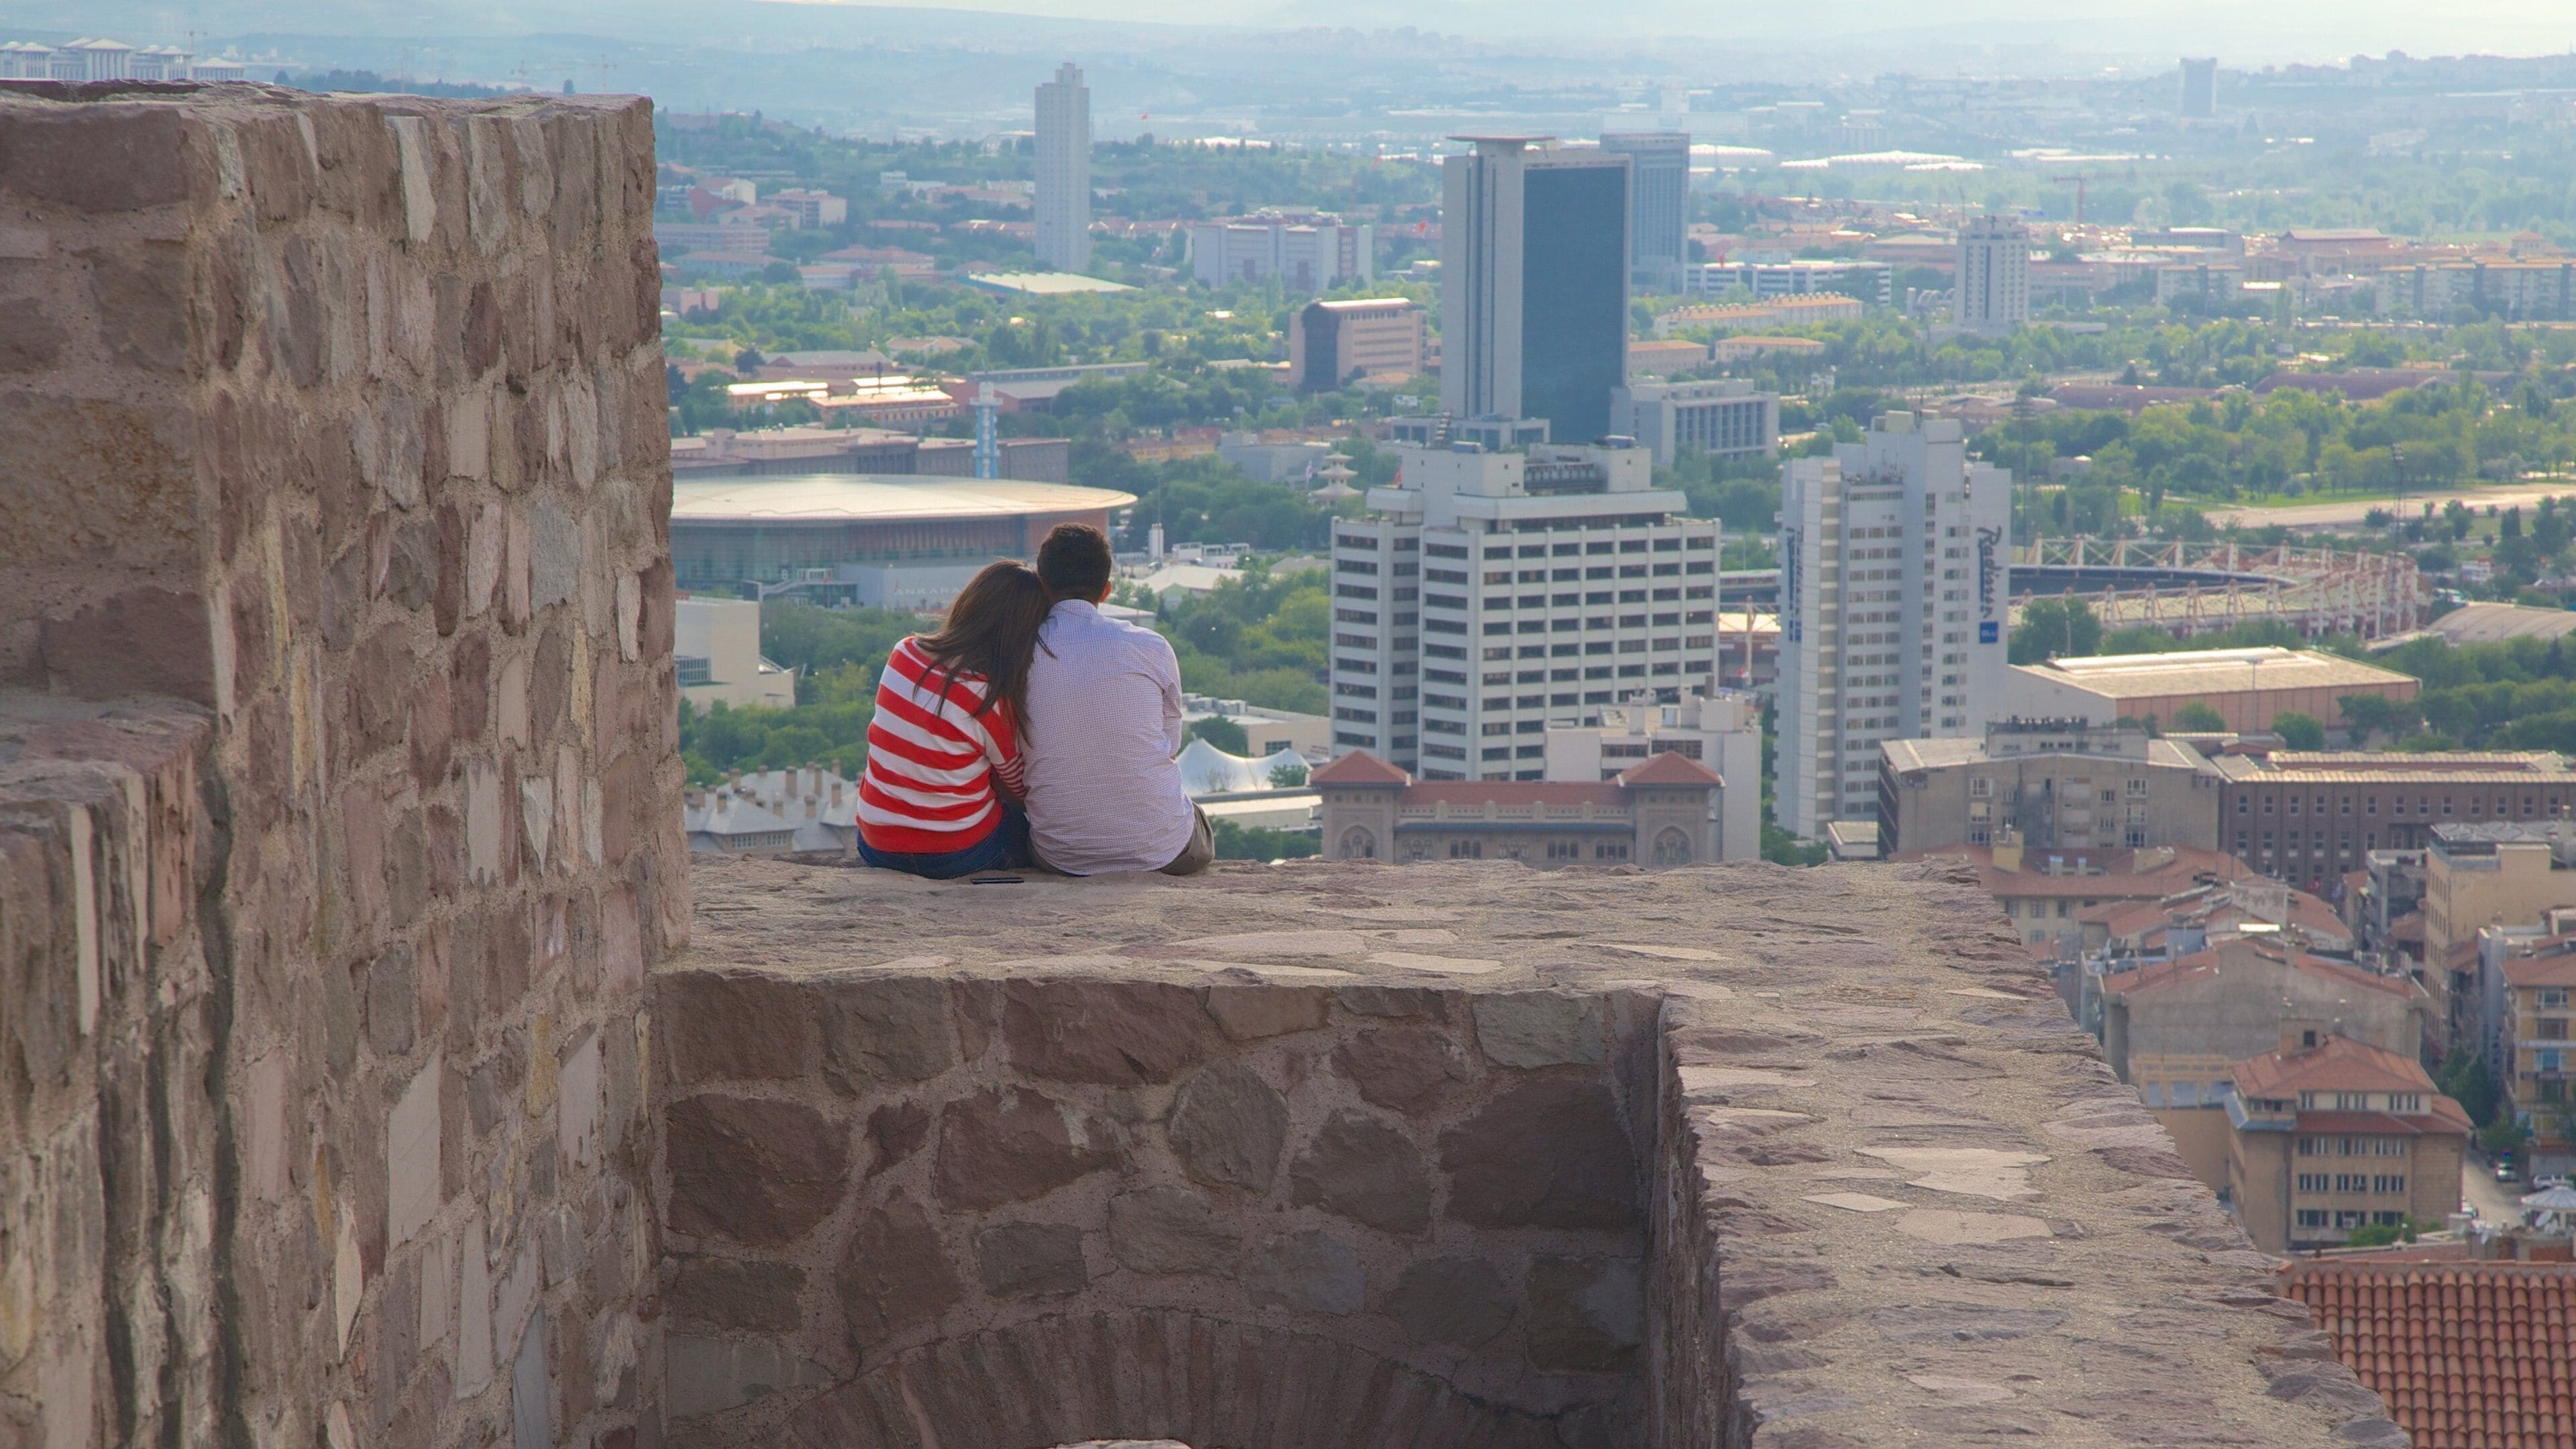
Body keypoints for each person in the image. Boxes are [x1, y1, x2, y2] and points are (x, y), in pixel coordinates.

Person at [1021, 523, 1214, 875]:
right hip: (1164, 852)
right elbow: (1168, 747)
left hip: (1061, 857)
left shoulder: (1018, 652)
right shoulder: (1150, 647)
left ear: (1041, 583)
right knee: (1195, 817)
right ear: (1107, 591)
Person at [855, 561, 1049, 879]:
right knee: (1023, 823)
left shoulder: (902, 654)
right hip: (958, 854)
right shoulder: (989, 698)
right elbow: (1018, 790)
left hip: (877, 845)